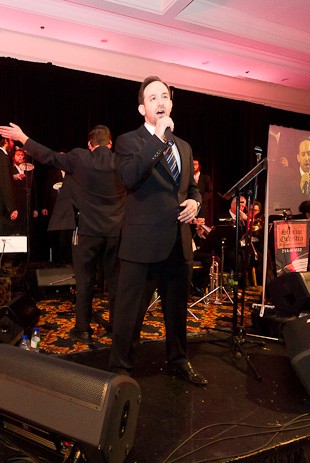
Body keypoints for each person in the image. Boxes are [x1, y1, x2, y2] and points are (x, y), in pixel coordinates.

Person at [107, 76, 207, 385]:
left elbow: (190, 188)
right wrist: (159, 139)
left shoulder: (185, 147)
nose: (160, 102)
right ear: (142, 109)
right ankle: (121, 369)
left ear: (171, 104)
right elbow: (129, 177)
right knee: (129, 313)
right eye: (153, 98)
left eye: (164, 96)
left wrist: (195, 202)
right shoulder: (129, 141)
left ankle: (178, 360)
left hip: (179, 241)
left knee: (177, 310)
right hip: (142, 244)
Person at [0, 123, 126, 343]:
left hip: (86, 232)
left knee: (85, 281)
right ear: (111, 143)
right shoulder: (121, 162)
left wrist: (23, 137)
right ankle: (117, 328)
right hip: (116, 232)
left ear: (90, 144)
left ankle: (83, 329)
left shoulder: (79, 157)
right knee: (115, 282)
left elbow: (49, 156)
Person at [192, 158, 213, 225]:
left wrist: (201, 199)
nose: (193, 166)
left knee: (201, 226)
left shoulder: (205, 177)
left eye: (195, 164)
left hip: (202, 207)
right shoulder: (188, 178)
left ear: (199, 166)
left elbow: (210, 191)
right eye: (192, 164)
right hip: (190, 207)